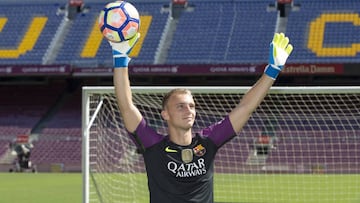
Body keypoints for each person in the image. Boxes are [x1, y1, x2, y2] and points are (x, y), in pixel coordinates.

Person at [109, 32, 293, 203]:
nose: (188, 111)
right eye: (180, 106)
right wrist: (120, 58)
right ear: (165, 114)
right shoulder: (153, 145)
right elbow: (126, 106)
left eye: (191, 106)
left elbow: (245, 108)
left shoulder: (208, 142)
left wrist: (272, 70)